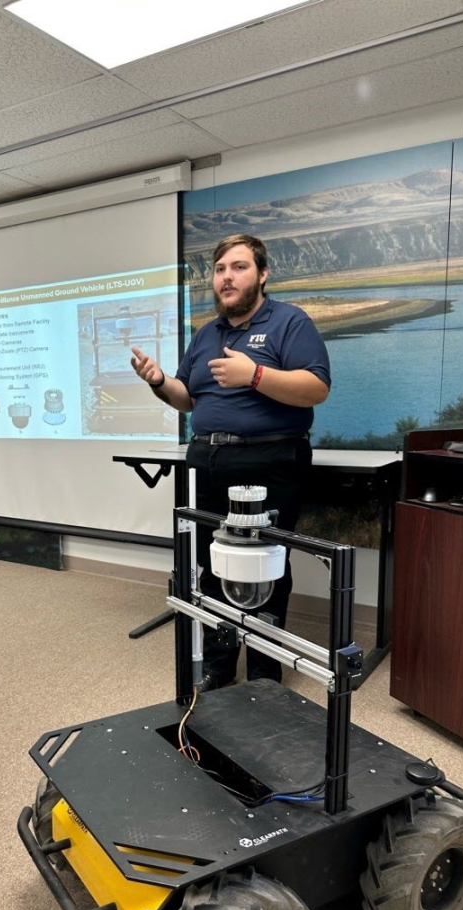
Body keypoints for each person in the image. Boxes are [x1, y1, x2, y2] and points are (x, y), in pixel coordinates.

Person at [130, 234, 331, 689]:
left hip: (271, 459)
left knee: (265, 563)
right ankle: (219, 667)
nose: (227, 277)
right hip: (207, 460)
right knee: (210, 562)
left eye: (239, 267)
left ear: (262, 275)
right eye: (220, 269)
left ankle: (263, 674)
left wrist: (254, 375)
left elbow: (316, 387)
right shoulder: (206, 334)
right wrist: (159, 380)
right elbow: (186, 399)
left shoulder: (289, 323)